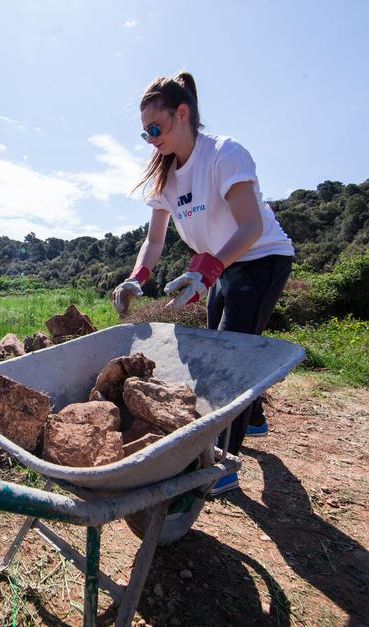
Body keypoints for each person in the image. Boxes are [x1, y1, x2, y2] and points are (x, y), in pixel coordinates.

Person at [112, 72, 295, 497]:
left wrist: (208, 270)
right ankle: (253, 417)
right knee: (222, 345)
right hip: (222, 266)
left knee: (225, 360)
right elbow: (154, 239)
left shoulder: (224, 154)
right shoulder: (165, 176)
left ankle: (221, 469)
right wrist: (136, 277)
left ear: (183, 113)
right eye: (145, 133)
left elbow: (249, 226)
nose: (150, 138)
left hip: (261, 257)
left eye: (156, 128)